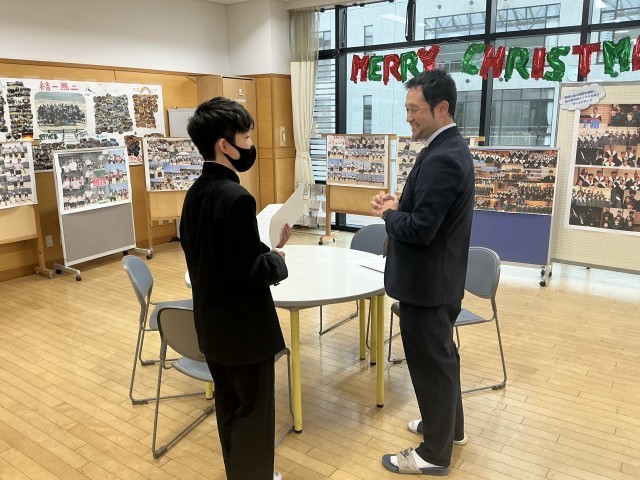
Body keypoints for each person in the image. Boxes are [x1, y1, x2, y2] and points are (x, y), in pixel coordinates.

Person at [180, 97, 291, 480]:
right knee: (254, 415)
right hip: (245, 331)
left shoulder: (195, 193)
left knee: (230, 409)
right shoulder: (237, 197)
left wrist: (265, 249)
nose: (250, 145)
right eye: (245, 137)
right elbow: (249, 272)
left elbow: (217, 255)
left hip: (212, 327)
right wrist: (277, 261)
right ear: (224, 145)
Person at [371, 69, 474, 476]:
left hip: (427, 285)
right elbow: (429, 214)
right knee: (442, 360)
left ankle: (433, 454)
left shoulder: (443, 157)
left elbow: (420, 229)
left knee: (431, 366)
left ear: (441, 108)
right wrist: (399, 205)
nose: (408, 117)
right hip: (438, 280)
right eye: (407, 108)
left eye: (415, 109)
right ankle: (449, 430)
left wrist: (390, 214)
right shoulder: (446, 148)